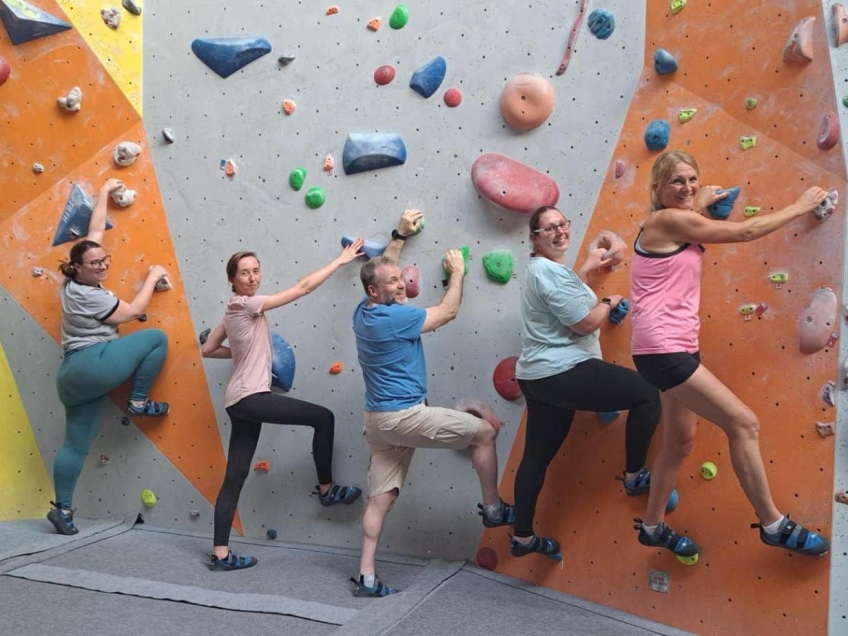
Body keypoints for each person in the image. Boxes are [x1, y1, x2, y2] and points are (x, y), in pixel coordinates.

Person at [630, 150, 830, 558]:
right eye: (676, 182)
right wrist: (800, 206)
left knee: (680, 442)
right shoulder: (664, 220)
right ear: (657, 190)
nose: (686, 188)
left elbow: (695, 216)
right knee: (744, 424)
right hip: (664, 348)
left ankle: (652, 527)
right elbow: (742, 232)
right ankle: (773, 524)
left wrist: (699, 201)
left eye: (691, 179)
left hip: (671, 348)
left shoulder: (679, 221)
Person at [351, 210, 512, 597]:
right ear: (376, 292)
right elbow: (448, 312)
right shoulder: (394, 318)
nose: (402, 283)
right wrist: (457, 272)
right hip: (404, 417)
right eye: (394, 282)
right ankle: (493, 509)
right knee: (485, 433)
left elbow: (381, 268)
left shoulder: (363, 312)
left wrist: (399, 235)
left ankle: (366, 576)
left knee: (381, 498)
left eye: (401, 277)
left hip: (378, 422)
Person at [510, 206, 669, 560]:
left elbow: (566, 293)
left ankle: (522, 538)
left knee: (536, 457)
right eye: (548, 229)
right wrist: (609, 301)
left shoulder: (546, 271)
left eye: (562, 224)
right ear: (534, 238)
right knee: (647, 394)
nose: (559, 232)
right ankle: (633, 475)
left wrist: (587, 267)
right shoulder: (547, 271)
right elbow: (583, 323)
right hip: (562, 369)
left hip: (538, 377)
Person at [201, 240, 366, 571]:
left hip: (239, 400)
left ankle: (221, 554)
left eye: (255, 271)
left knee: (234, 477)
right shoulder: (249, 305)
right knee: (324, 417)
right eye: (244, 273)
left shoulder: (231, 310)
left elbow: (207, 348)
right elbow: (303, 288)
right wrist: (340, 260)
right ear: (232, 280)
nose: (251, 277)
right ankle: (326, 489)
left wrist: (243, 354)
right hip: (251, 397)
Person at [50, 178, 171, 535]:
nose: (103, 266)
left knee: (75, 445)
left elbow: (93, 235)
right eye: (96, 263)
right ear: (80, 268)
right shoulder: (93, 297)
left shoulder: (72, 281)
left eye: (105, 260)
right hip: (91, 363)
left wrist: (103, 194)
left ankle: (62, 509)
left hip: (72, 377)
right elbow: (132, 311)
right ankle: (137, 401)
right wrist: (154, 276)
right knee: (156, 338)